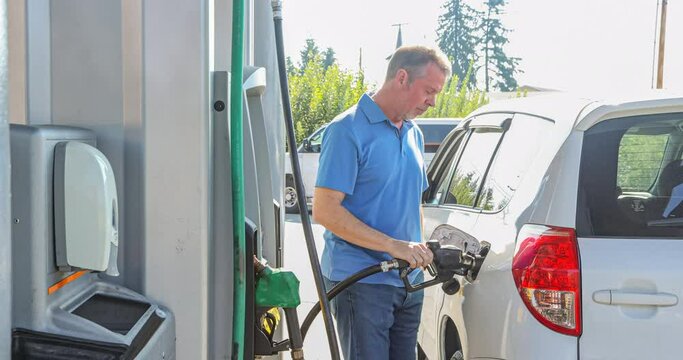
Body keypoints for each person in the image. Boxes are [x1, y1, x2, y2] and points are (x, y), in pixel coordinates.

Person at [312, 45, 451, 360]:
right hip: (361, 280)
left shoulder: (413, 134)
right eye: (429, 90)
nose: (433, 101)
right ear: (402, 77)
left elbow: (411, 201)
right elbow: (325, 210)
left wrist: (418, 249)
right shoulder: (346, 130)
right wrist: (393, 245)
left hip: (407, 280)